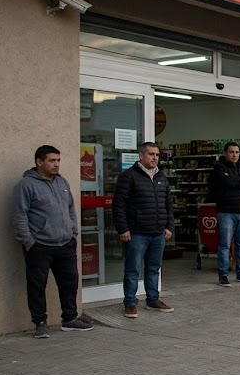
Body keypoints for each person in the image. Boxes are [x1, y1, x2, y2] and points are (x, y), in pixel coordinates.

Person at [12, 145, 95, 338]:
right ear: (39, 162)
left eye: (58, 160)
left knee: (69, 282)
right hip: (39, 245)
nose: (56, 164)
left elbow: (71, 210)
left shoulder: (62, 182)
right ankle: (40, 323)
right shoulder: (26, 185)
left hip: (65, 243)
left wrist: (73, 232)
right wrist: (29, 242)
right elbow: (19, 216)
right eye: (52, 160)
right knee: (37, 285)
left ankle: (70, 319)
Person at [112, 142, 175, 318]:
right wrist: (123, 229)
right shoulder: (129, 176)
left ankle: (153, 300)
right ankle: (130, 303)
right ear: (141, 155)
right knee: (132, 270)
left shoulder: (162, 177)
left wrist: (169, 226)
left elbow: (168, 204)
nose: (155, 158)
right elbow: (119, 205)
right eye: (151, 154)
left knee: (154, 269)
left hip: (158, 233)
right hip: (137, 233)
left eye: (157, 155)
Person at [209, 141, 240, 287]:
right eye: (231, 152)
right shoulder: (219, 167)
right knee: (224, 245)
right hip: (226, 212)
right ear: (226, 153)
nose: (234, 155)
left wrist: (235, 183)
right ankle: (223, 275)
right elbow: (226, 181)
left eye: (237, 152)